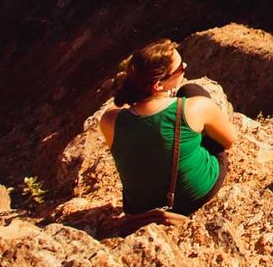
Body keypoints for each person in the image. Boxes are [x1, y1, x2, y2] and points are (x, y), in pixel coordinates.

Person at [100, 40, 237, 220]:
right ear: (157, 85)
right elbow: (229, 140)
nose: (185, 66)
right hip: (192, 195)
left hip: (139, 208)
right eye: (180, 68)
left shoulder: (109, 120)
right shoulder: (195, 107)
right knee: (192, 89)